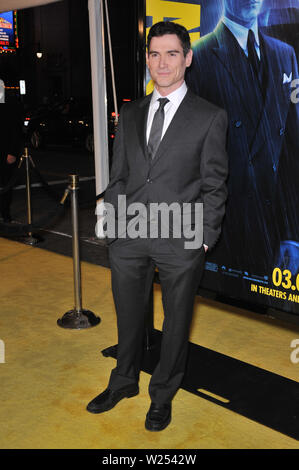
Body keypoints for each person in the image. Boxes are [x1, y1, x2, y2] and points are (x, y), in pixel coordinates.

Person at [87, 21, 228, 431]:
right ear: (147, 59)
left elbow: (216, 183)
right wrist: (113, 229)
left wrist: (204, 236)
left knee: (176, 321)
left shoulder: (210, 116)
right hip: (128, 234)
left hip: (181, 235)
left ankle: (162, 394)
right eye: (154, 53)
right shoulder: (129, 113)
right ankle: (124, 380)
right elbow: (119, 176)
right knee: (128, 315)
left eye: (170, 53)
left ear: (187, 57)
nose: (161, 62)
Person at [186, 0, 299, 276]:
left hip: (272, 225)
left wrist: (292, 232)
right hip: (224, 226)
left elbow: (293, 149)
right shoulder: (198, 57)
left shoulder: (285, 55)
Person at [0, 97, 24, 222]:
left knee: (6, 185)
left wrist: (12, 153)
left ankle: (5, 213)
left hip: (5, 155)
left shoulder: (8, 109)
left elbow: (16, 133)